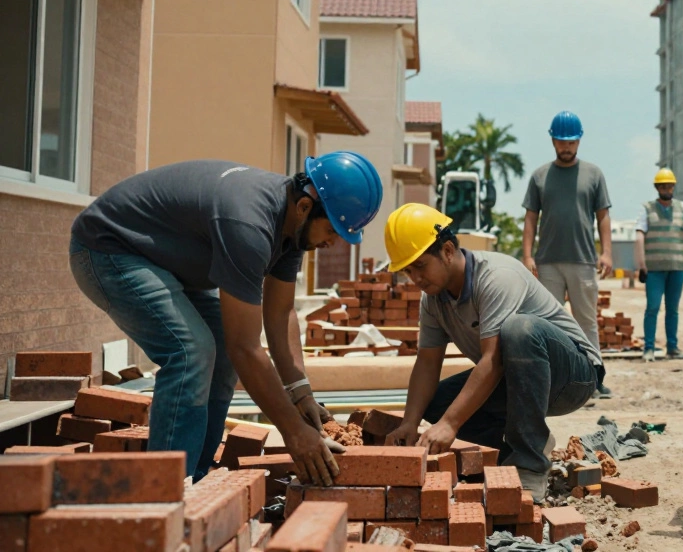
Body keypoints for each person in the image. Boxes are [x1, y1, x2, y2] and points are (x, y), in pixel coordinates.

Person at [68, 153, 383, 482]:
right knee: (193, 351)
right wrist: (293, 432)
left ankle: (200, 481)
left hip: (162, 261)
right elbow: (245, 347)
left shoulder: (292, 229)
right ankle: (167, 490)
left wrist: (300, 392)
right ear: (305, 207)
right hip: (108, 249)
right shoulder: (249, 224)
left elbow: (280, 313)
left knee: (219, 354)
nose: (333, 243)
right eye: (332, 229)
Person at [383, 204, 601, 501]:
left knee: (519, 329)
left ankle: (529, 466)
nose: (415, 278)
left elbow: (493, 362)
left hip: (574, 376)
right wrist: (410, 422)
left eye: (420, 266)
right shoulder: (433, 300)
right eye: (408, 271)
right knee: (435, 405)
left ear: (447, 250)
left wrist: (450, 424)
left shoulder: (496, 276)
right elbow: (427, 363)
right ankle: (512, 453)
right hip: (521, 381)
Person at [521, 110, 614, 398]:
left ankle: (594, 380)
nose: (566, 147)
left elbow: (603, 217)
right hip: (547, 263)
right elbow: (530, 218)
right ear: (553, 141)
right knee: (547, 323)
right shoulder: (539, 176)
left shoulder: (594, 174)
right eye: (561, 141)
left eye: (571, 142)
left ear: (579, 141)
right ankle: (550, 382)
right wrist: (527, 255)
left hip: (584, 261)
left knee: (586, 322)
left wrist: (607, 253)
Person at [635, 168, 683, 362]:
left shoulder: (681, 207)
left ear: (673, 187)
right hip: (654, 268)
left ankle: (672, 347)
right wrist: (641, 264)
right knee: (652, 308)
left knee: (673, 309)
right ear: (657, 187)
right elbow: (639, 236)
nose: (666, 189)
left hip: (677, 266)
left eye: (669, 185)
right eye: (663, 186)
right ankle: (649, 349)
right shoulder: (647, 208)